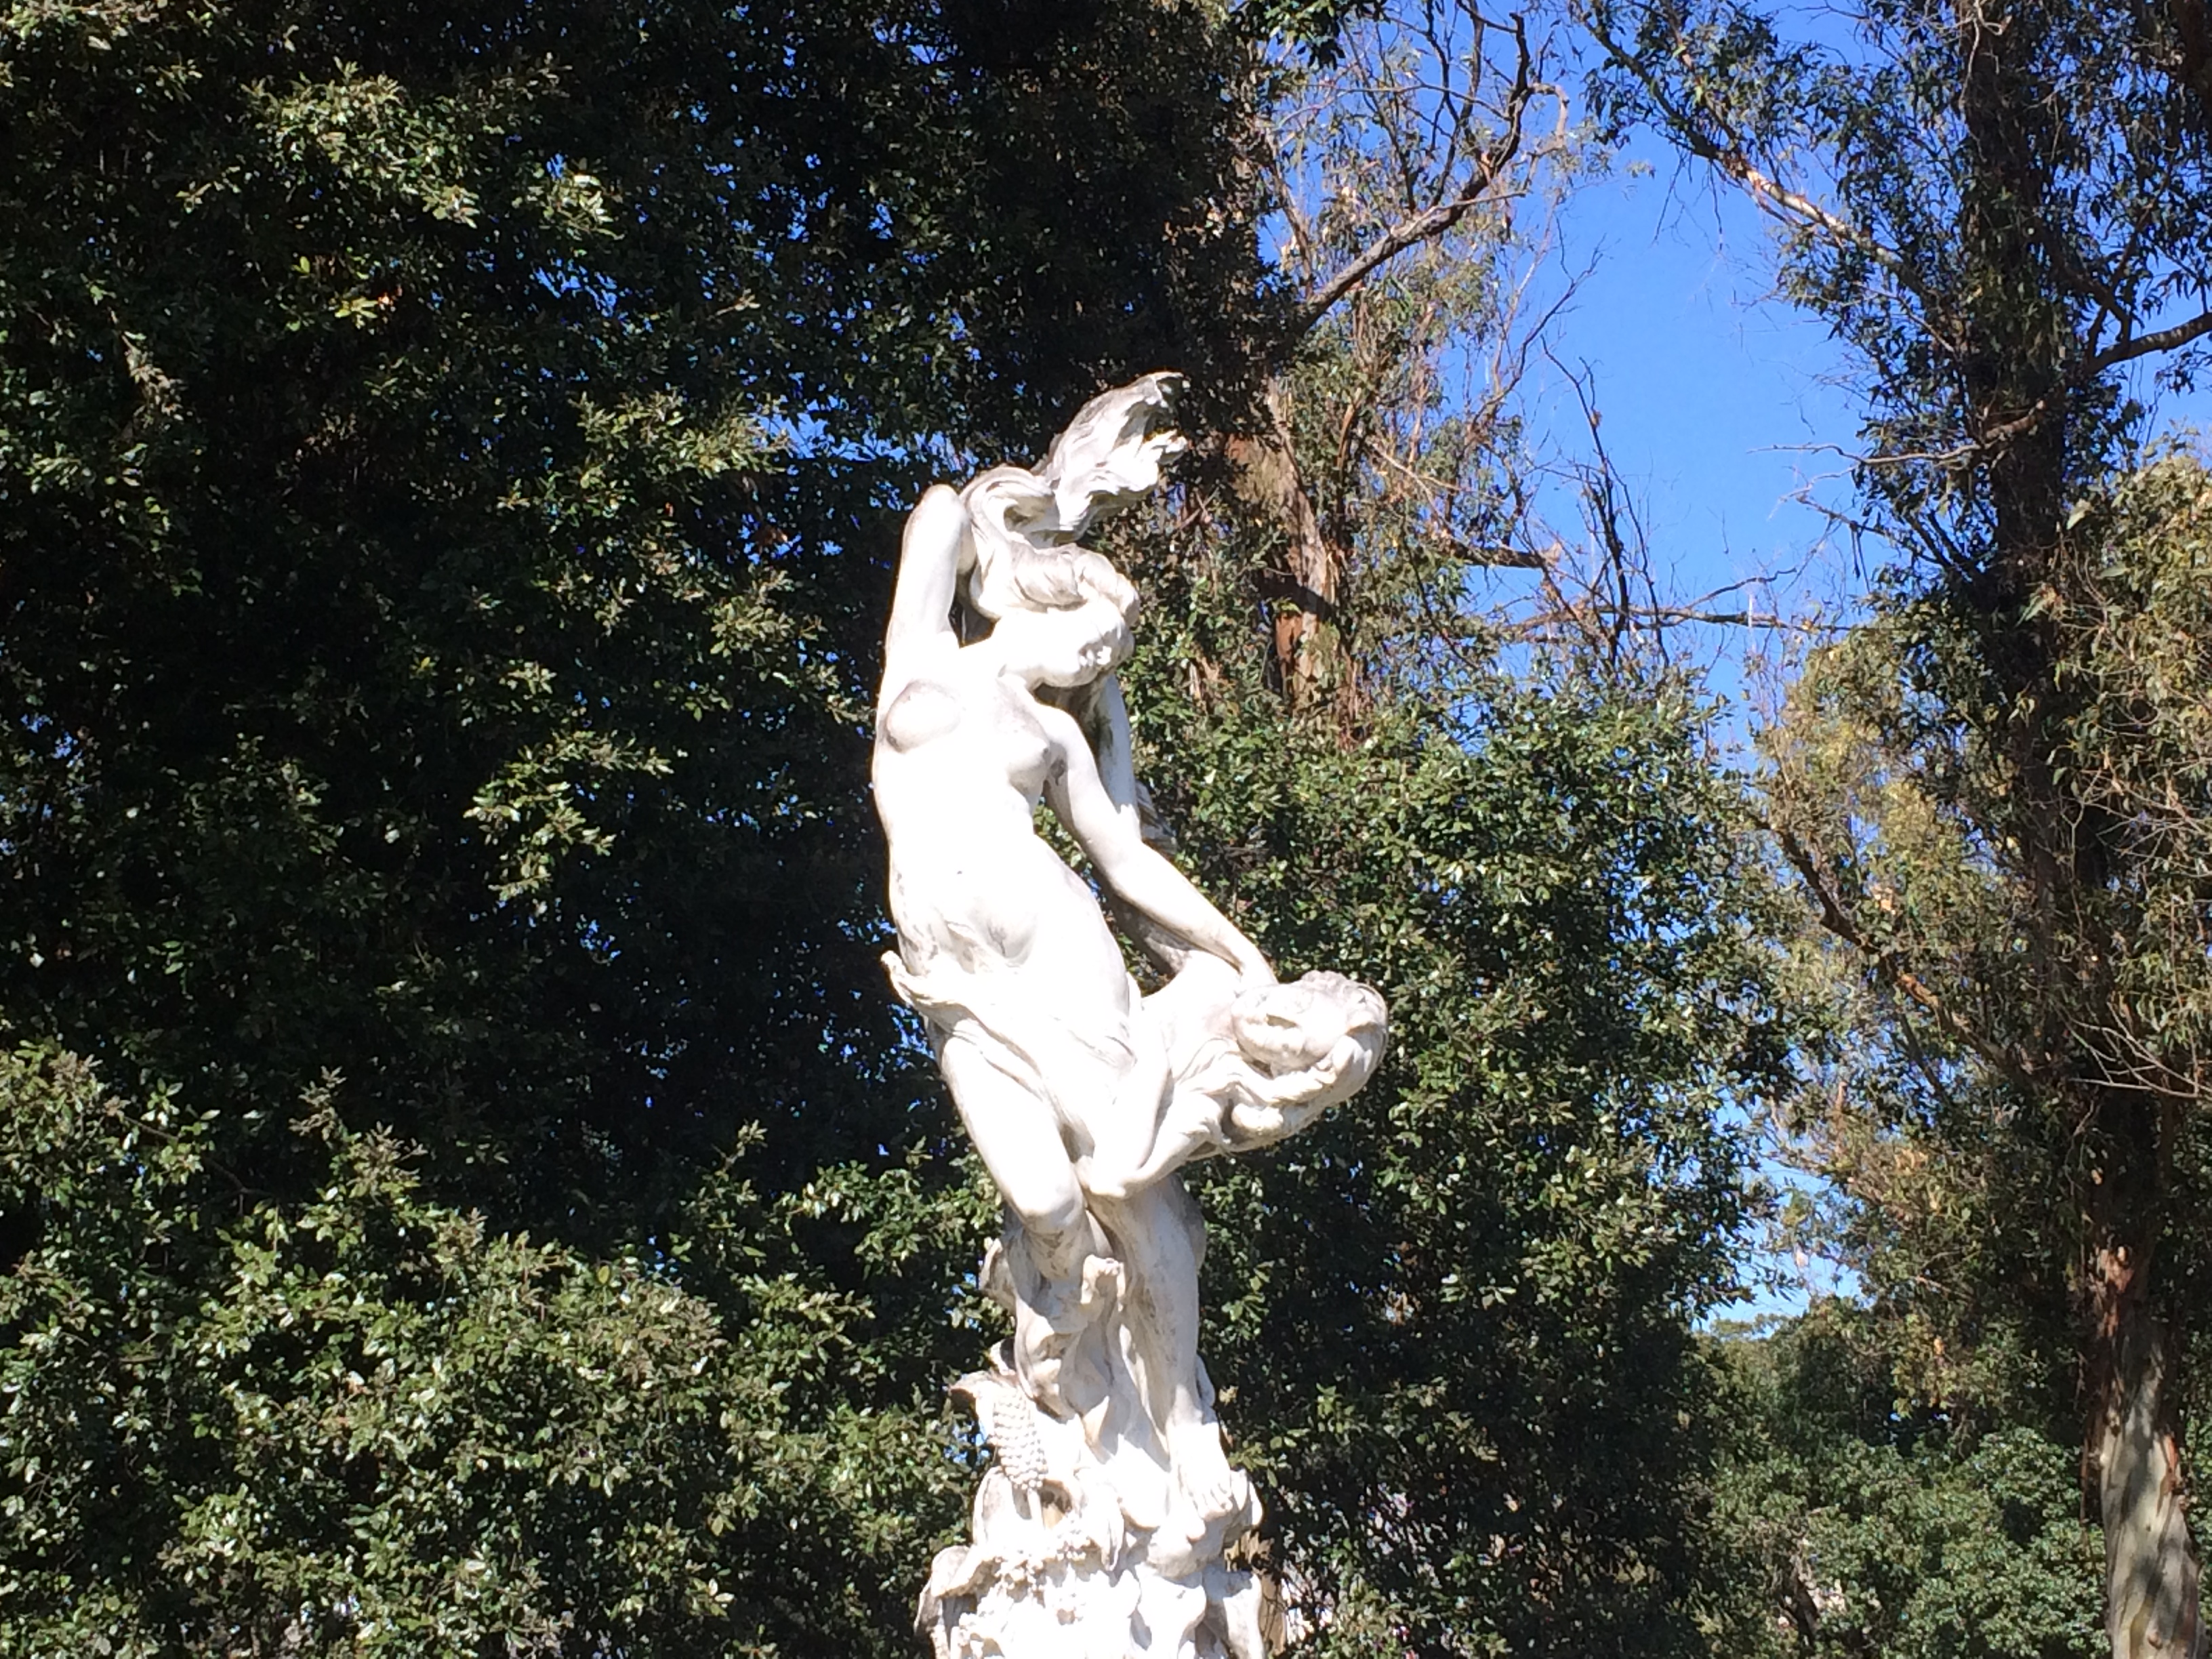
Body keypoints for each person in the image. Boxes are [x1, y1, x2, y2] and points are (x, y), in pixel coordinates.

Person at [872, 474, 1272, 1519]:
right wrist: (1036, 511)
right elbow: (938, 514)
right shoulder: (920, 656)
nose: (1098, 660)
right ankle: (1077, 1363)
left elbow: (1127, 866)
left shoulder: (1053, 741)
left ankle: (1178, 1421)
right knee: (1049, 1206)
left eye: (1109, 656)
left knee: (1134, 1192)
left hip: (1062, 964)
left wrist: (1240, 954)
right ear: (1039, 601)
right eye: (1095, 635)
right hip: (962, 993)